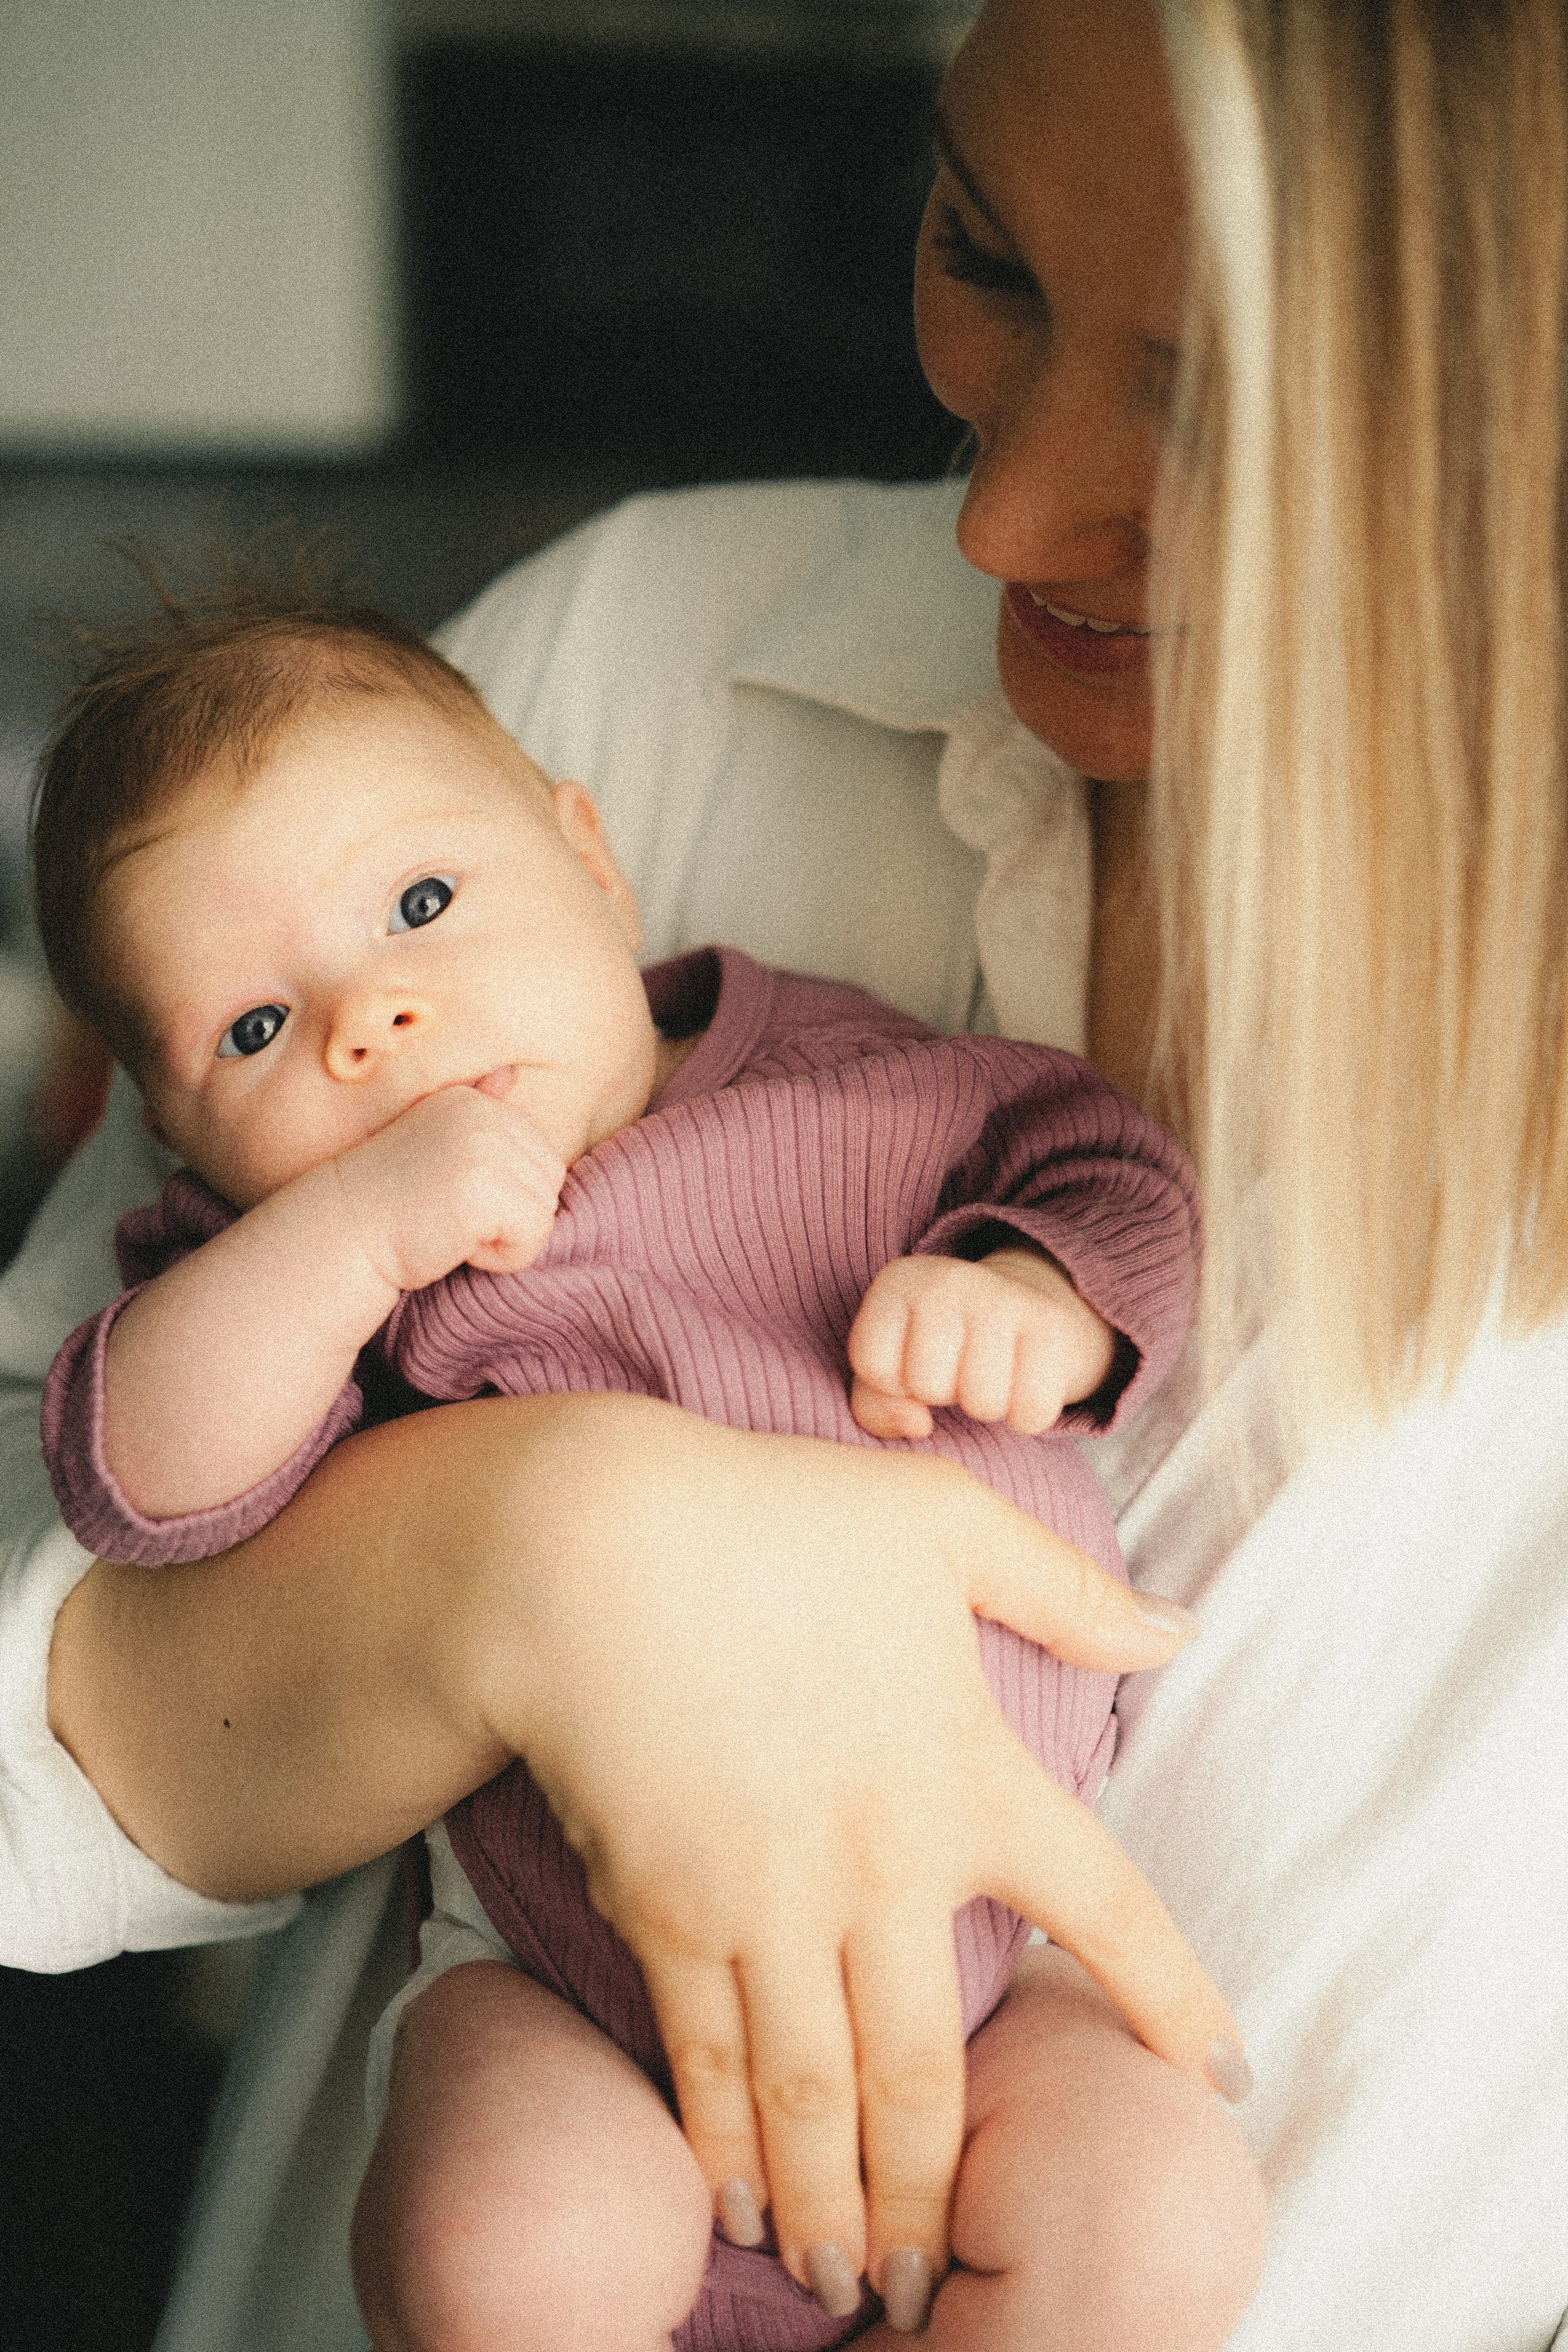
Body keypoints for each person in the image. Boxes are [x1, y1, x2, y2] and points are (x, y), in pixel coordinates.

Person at [1, 0, 1564, 2345]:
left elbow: (1071, 1184)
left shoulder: (808, 1063)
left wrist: (1033, 1284)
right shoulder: (592, 694)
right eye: (982, 257)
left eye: (1218, 402)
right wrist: (537, 1552)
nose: (998, 518)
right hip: (550, 2037)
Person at [31, 597, 1259, 2348]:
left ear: (591, 857)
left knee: (1153, 2218)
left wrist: (1032, 1296)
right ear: (177, 1139)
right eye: (250, 1033)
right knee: (498, 2245)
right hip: (560, 1983)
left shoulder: (860, 1082)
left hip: (989, 1951)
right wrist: (350, 1238)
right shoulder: (295, 1267)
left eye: (422, 906)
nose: (370, 1019)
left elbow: (1108, 1166)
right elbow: (133, 1482)